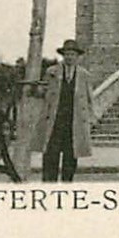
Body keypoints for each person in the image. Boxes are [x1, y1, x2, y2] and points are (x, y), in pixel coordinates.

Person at [32, 38, 95, 182]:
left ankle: (67, 185)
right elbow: (42, 91)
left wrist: (91, 118)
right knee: (50, 155)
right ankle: (49, 186)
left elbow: (89, 98)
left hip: (74, 122)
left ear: (78, 57)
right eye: (67, 54)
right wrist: (38, 89)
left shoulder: (84, 75)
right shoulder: (52, 72)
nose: (70, 57)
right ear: (63, 55)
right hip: (54, 121)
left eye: (73, 54)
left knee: (71, 156)